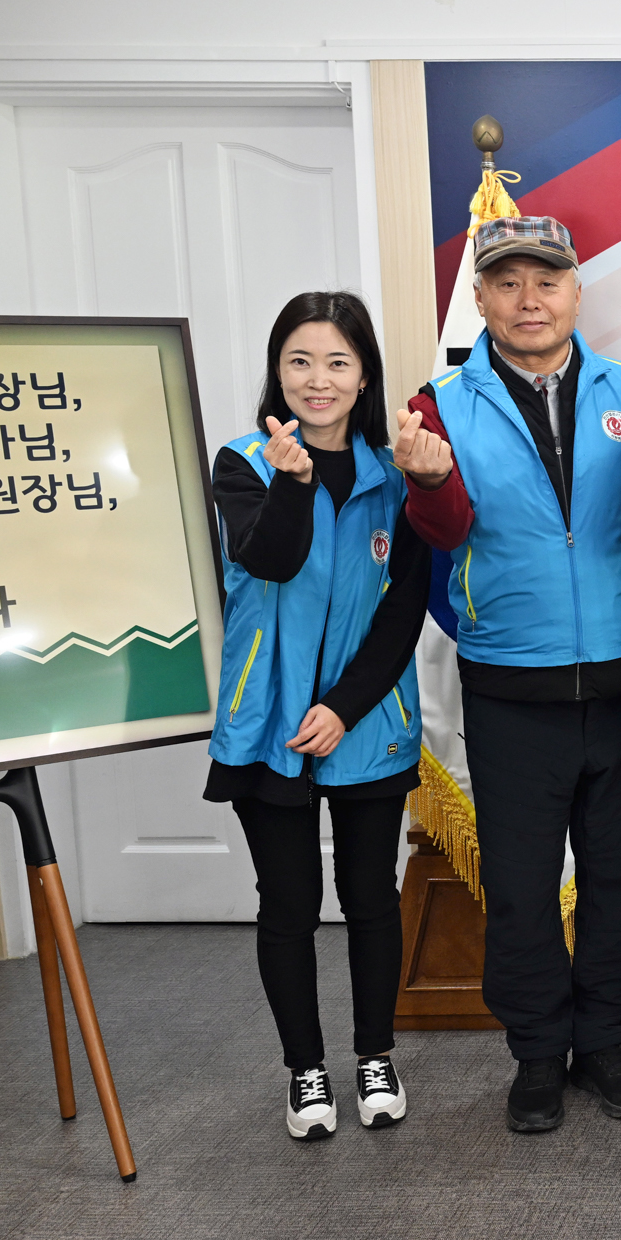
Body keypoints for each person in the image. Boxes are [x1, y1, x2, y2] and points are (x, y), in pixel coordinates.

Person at [393, 215, 621, 1135]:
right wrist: (428, 482)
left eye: (546, 280)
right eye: (507, 283)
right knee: (520, 887)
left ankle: (607, 1042)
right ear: (480, 299)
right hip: (511, 687)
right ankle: (539, 1054)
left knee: (620, 878)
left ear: (576, 289)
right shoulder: (439, 405)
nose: (529, 300)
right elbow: (444, 536)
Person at [205, 291, 428, 1140]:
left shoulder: (395, 475)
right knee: (288, 905)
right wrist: (293, 483)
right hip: (267, 722)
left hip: (365, 718)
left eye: (338, 361)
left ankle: (376, 1056)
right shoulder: (243, 464)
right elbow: (270, 557)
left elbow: (404, 609)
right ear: (278, 370)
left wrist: (342, 706)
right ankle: (305, 1071)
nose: (318, 379)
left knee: (371, 898)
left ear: (364, 374)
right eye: (299, 361)